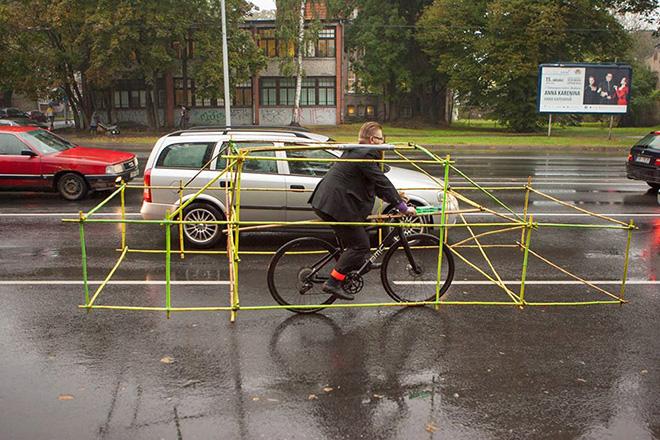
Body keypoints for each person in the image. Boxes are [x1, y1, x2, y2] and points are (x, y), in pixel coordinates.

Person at [308, 121, 417, 300]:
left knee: (363, 229)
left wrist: (395, 197)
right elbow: (381, 181)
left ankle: (359, 263)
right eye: (383, 139)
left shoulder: (357, 151)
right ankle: (333, 282)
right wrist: (403, 207)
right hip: (337, 205)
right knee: (360, 245)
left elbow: (374, 183)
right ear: (373, 139)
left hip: (331, 202)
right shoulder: (366, 154)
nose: (385, 144)